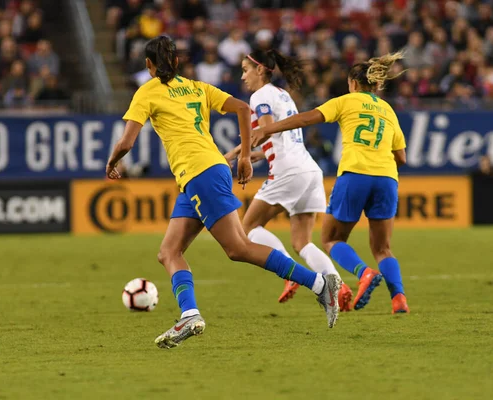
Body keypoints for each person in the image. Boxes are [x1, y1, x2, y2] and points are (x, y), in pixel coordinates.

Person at [106, 36, 342, 349]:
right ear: (176, 62)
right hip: (199, 174)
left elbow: (126, 142)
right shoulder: (196, 87)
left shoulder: (146, 92)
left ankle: (319, 283)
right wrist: (244, 155)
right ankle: (190, 314)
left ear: (148, 65)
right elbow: (243, 108)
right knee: (168, 252)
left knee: (239, 248)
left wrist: (113, 161)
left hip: (200, 173)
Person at [252, 51, 410, 314]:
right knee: (383, 248)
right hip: (387, 179)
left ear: (354, 84)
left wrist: (267, 129)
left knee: (331, 239)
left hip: (355, 175)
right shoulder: (388, 110)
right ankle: (399, 299)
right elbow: (401, 157)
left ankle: (364, 273)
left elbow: (306, 118)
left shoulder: (347, 102)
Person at [224, 49, 353, 310]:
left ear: (260, 70)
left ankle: (290, 274)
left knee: (247, 230)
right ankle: (339, 288)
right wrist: (258, 153)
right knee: (303, 242)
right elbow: (280, 137)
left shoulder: (260, 94)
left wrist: (243, 152)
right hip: (308, 170)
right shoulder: (283, 94)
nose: (243, 76)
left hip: (287, 171)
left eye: (246, 70)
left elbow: (266, 126)